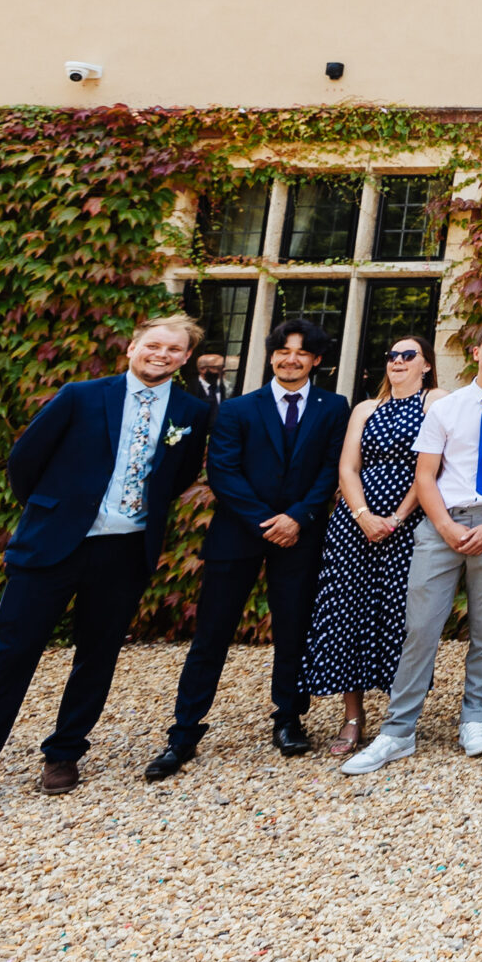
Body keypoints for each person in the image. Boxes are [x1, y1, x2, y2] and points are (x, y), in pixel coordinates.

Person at [0, 317, 215, 830]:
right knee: (10, 657)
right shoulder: (82, 395)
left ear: (184, 358)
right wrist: (55, 513)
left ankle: (65, 751)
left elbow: (176, 479)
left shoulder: (192, 412)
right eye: (153, 344)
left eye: (173, 349)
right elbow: (25, 461)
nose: (161, 354)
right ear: (133, 347)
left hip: (124, 551)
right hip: (53, 547)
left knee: (98, 656)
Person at [148, 318, 350, 780]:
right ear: (272, 355)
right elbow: (223, 472)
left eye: (301, 351)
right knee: (212, 634)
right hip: (238, 535)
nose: (290, 358)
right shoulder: (238, 408)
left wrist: (297, 517)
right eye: (283, 350)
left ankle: (288, 718)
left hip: (301, 535)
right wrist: (267, 522)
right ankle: (183, 732)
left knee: (293, 630)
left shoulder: (333, 406)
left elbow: (330, 468)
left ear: (316, 360)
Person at [341, 323, 482, 775]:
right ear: (475, 352)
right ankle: (398, 731)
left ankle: (475, 718)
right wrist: (445, 526)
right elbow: (425, 475)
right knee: (421, 627)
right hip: (442, 522)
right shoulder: (446, 407)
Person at [301, 332, 443, 758]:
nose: (398, 361)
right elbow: (348, 467)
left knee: (403, 617)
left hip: (411, 518)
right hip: (354, 523)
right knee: (349, 612)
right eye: (392, 355)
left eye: (408, 355)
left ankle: (399, 717)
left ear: (426, 364)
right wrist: (363, 516)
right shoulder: (365, 407)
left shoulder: (435, 402)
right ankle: (352, 716)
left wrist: (397, 518)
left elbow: (430, 469)